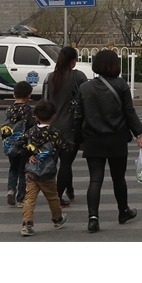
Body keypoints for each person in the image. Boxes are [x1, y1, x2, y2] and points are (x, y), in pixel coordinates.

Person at [74, 49, 142, 232]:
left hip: (93, 139)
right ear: (115, 65)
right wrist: (139, 134)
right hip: (116, 139)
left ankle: (93, 218)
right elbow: (129, 112)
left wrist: (77, 140)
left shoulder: (85, 88)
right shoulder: (121, 85)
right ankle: (123, 211)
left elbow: (78, 117)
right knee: (118, 178)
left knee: (95, 180)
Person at [18, 99, 67, 236]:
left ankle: (27, 224)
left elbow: (19, 145)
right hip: (48, 172)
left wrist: (29, 155)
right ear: (53, 116)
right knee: (52, 196)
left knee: (29, 197)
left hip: (31, 171)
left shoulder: (30, 132)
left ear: (36, 116)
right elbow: (65, 146)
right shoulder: (54, 133)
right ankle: (57, 219)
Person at [45, 45, 87, 206]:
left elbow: (45, 102)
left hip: (52, 126)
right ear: (72, 61)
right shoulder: (79, 77)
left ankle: (69, 191)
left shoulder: (50, 77)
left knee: (56, 163)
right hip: (71, 128)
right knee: (66, 163)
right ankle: (57, 197)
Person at [1, 80, 36, 206]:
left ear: (13, 95)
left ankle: (11, 189)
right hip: (24, 146)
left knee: (13, 168)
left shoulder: (9, 110)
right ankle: (21, 198)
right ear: (29, 96)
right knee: (23, 171)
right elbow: (32, 128)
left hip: (10, 144)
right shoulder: (29, 111)